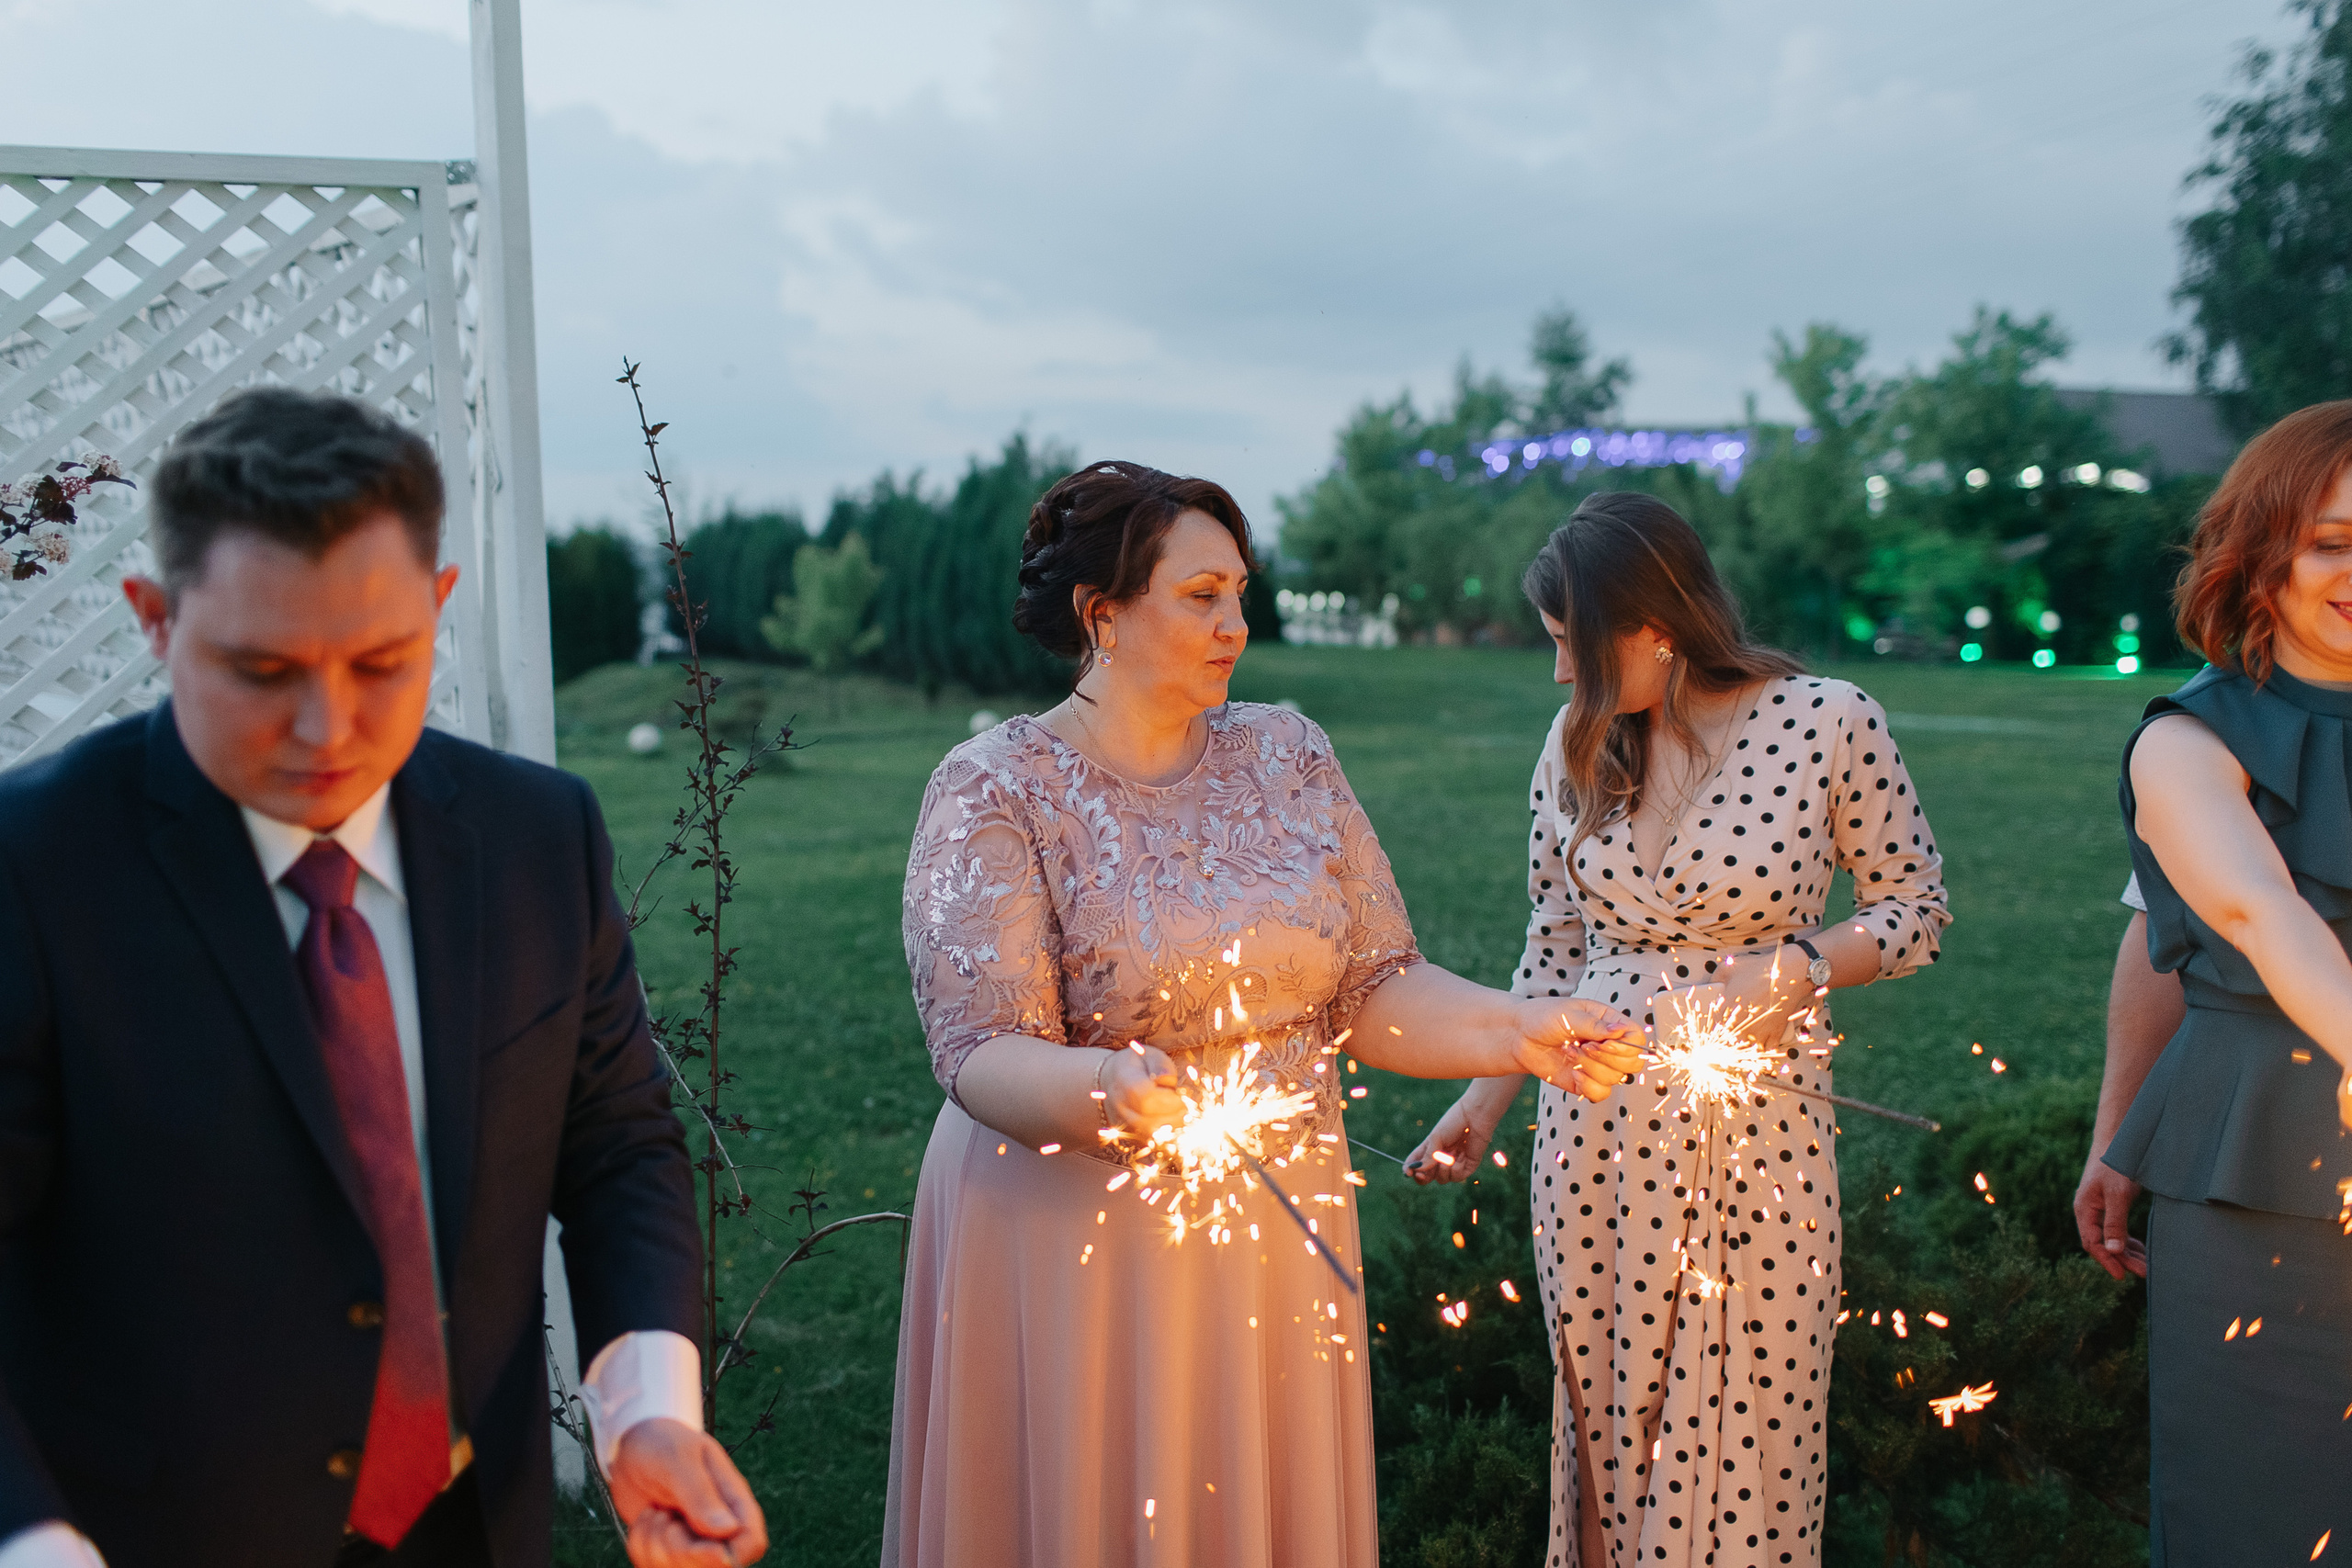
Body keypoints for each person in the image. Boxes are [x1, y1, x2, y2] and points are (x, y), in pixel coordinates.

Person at [0, 389, 766, 1568]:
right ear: (153, 620)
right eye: (263, 669)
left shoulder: (536, 835)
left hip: (474, 1523)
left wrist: (650, 1410)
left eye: (382, 661)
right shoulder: (32, 865)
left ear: (440, 606)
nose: (329, 727)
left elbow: (615, 1144)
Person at [882, 461, 1645, 1568]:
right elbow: (977, 1047)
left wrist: (1510, 1030)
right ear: (1102, 614)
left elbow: (1375, 984)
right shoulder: (994, 787)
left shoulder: (1289, 754)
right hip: (1076, 1243)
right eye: (1200, 597)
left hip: (1274, 1233)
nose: (1236, 623)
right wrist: (1111, 1093)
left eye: (1239, 591)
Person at [1408, 491, 1950, 1568]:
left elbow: (1916, 910)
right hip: (1590, 1142)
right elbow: (1553, 948)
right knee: (1606, 1434)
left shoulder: (1827, 720)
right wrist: (1480, 1104)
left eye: (1572, 644)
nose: (1560, 674)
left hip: (1757, 1143)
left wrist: (1791, 972)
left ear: (1651, 627)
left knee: (1751, 1430)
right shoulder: (1575, 745)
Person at [2094, 400, 2352, 1562]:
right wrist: (2116, 1133)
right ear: (2262, 552)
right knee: (2267, 1517)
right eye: (2332, 542)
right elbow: (2251, 914)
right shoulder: (2185, 742)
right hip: (2259, 1154)